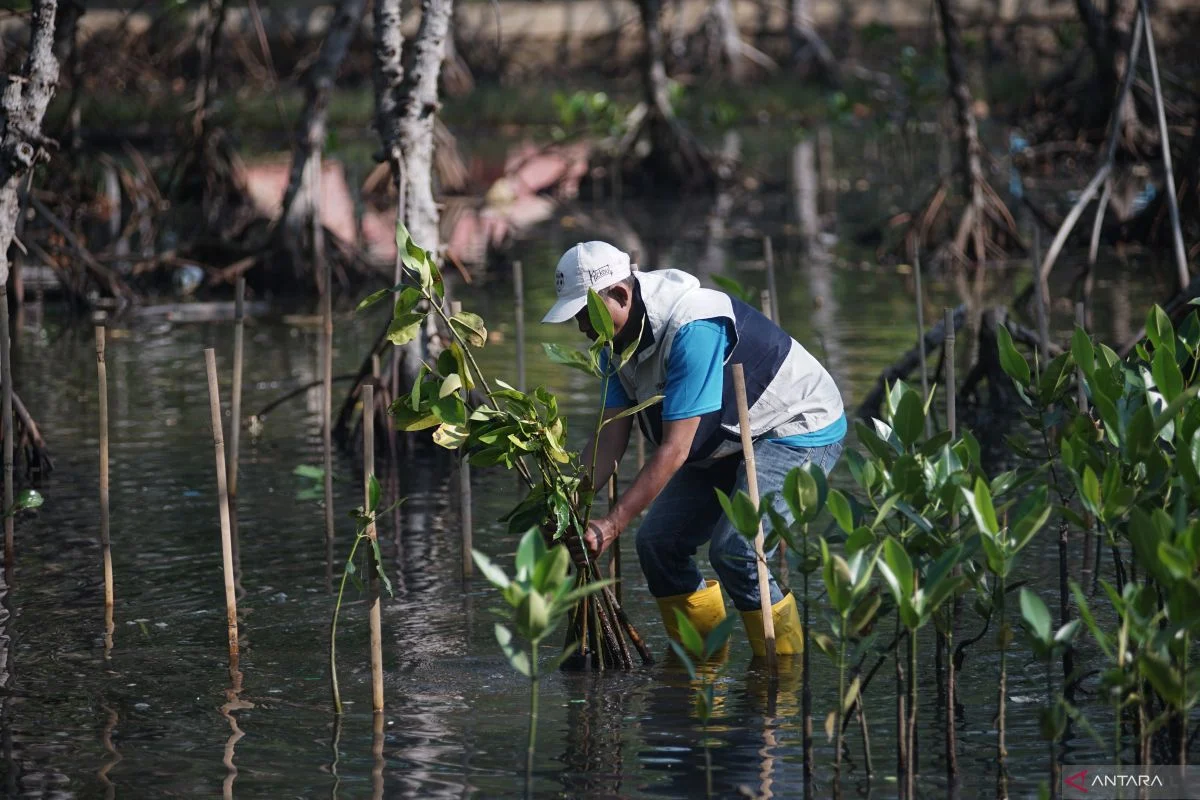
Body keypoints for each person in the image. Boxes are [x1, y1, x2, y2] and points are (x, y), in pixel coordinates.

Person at [542, 241, 846, 656]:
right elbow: (611, 435)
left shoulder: (694, 325)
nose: (581, 328)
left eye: (584, 314)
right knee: (657, 545)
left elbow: (674, 450)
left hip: (794, 427)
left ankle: (782, 676)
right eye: (576, 317)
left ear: (620, 295)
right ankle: (700, 665)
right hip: (724, 440)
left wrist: (610, 525)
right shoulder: (611, 343)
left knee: (738, 551)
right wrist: (570, 508)